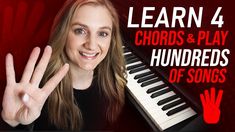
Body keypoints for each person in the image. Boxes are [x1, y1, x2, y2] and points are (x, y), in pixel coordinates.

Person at [1, 0, 127, 131]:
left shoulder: (113, 82)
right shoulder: (34, 89)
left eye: (102, 33)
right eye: (80, 31)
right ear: (63, 33)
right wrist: (10, 122)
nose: (91, 45)